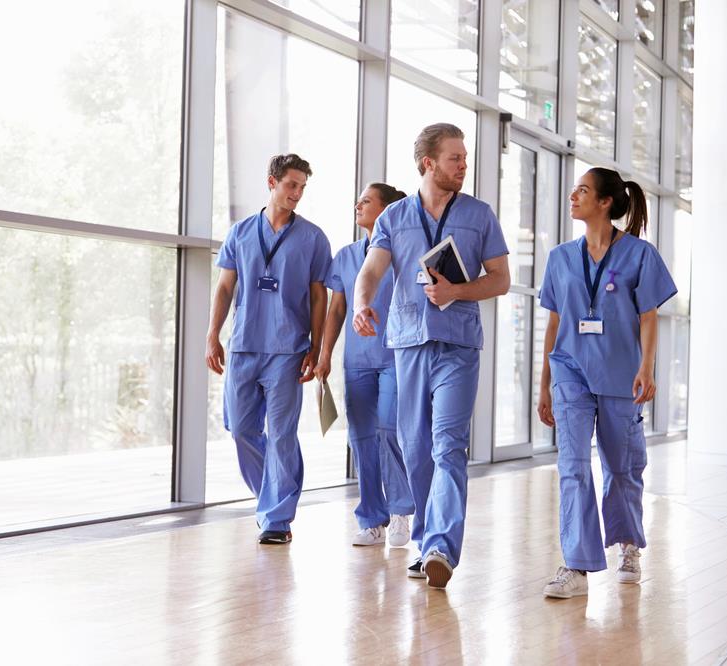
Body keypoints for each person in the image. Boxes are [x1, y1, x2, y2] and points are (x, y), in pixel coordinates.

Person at [352, 124, 510, 589]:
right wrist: (363, 304)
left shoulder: (479, 215)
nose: (464, 165)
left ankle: (441, 544)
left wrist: (457, 291)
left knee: (447, 445)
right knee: (417, 448)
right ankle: (425, 542)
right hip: (408, 344)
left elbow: (499, 278)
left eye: (464, 158)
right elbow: (371, 271)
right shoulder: (394, 218)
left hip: (458, 346)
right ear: (428, 163)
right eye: (455, 158)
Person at [536, 167, 677, 599]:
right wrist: (544, 384)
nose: (573, 195)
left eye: (583, 190)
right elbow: (554, 321)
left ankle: (629, 544)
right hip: (570, 374)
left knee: (622, 468)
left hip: (620, 374)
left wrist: (647, 367)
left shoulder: (639, 254)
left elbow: (649, 316)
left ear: (605, 203)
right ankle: (576, 565)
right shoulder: (560, 257)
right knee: (573, 468)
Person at [206, 153, 332, 545]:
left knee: (281, 434)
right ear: (271, 182)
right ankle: (270, 498)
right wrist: (212, 334)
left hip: (288, 349)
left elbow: (318, 297)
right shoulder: (240, 232)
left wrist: (316, 344)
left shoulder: (313, 238)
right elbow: (226, 286)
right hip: (244, 345)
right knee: (241, 429)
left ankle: (277, 517)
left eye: (302, 187)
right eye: (291, 185)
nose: (297, 193)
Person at [314, 183, 415, 549]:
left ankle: (402, 510)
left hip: (395, 357)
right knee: (361, 440)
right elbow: (336, 309)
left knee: (389, 429)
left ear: (388, 210)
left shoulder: (403, 254)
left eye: (367, 200)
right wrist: (324, 355)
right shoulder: (345, 256)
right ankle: (373, 518)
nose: (358, 204)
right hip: (356, 361)